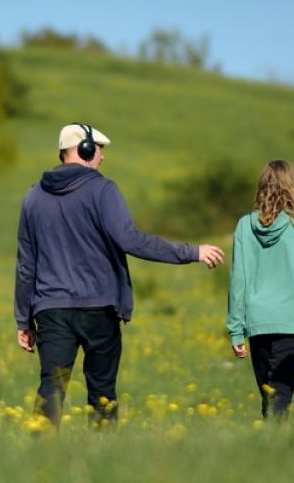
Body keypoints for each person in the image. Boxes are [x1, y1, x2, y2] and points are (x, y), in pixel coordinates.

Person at [14, 123, 225, 428]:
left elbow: (26, 264)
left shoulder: (32, 197)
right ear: (86, 150)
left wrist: (24, 319)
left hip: (51, 309)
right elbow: (131, 240)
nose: (102, 157)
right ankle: (102, 460)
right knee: (102, 391)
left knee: (51, 387)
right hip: (99, 308)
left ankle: (40, 456)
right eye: (99, 149)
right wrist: (191, 252)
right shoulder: (102, 189)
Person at [226, 160, 294, 420]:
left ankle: (270, 444)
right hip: (288, 321)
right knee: (282, 391)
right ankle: (276, 441)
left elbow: (238, 280)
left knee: (267, 392)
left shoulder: (244, 226)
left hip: (257, 321)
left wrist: (235, 330)